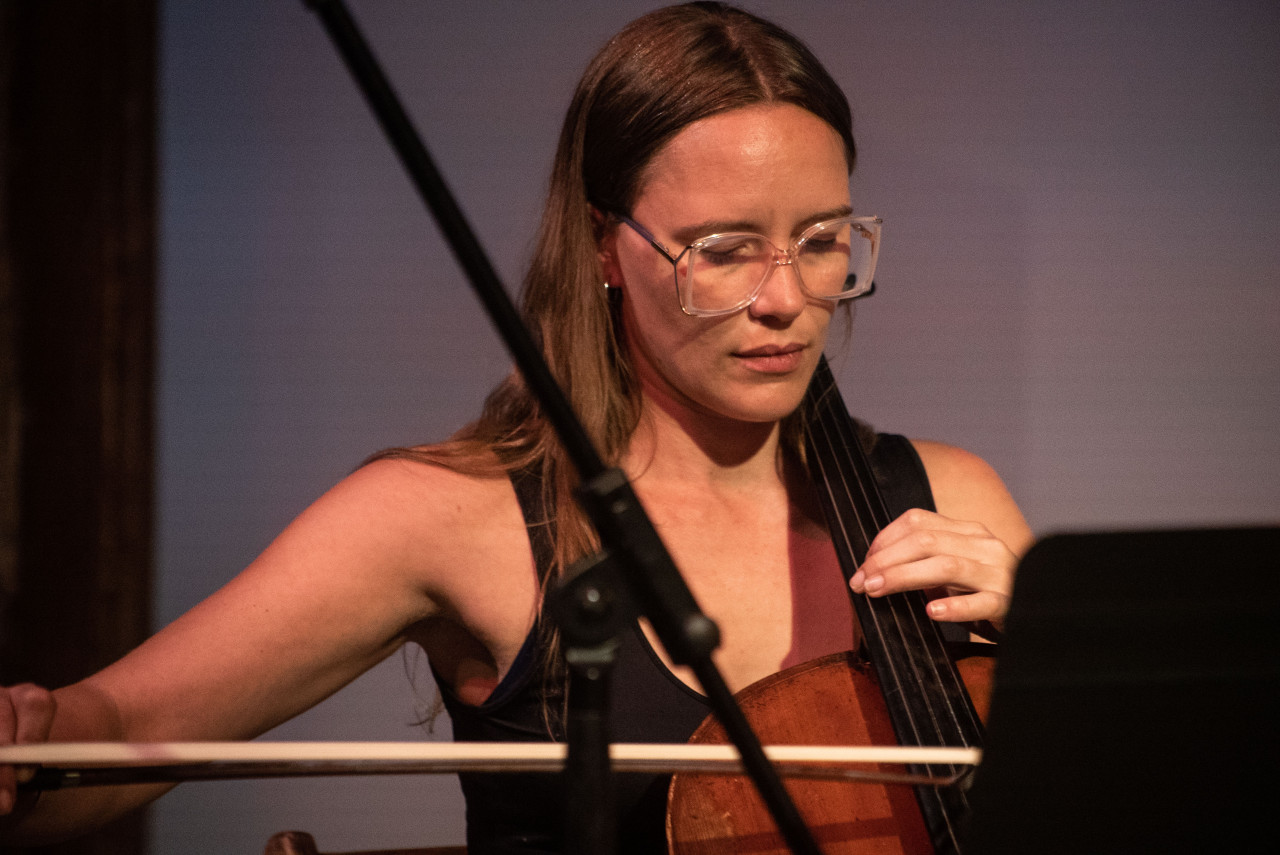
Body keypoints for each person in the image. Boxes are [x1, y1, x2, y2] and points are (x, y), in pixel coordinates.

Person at [0, 2, 1032, 851]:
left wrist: (1067, 672)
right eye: (722, 250)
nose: (784, 299)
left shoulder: (954, 500)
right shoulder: (452, 518)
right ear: (601, 247)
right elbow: (119, 729)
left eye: (819, 242)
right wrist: (29, 739)